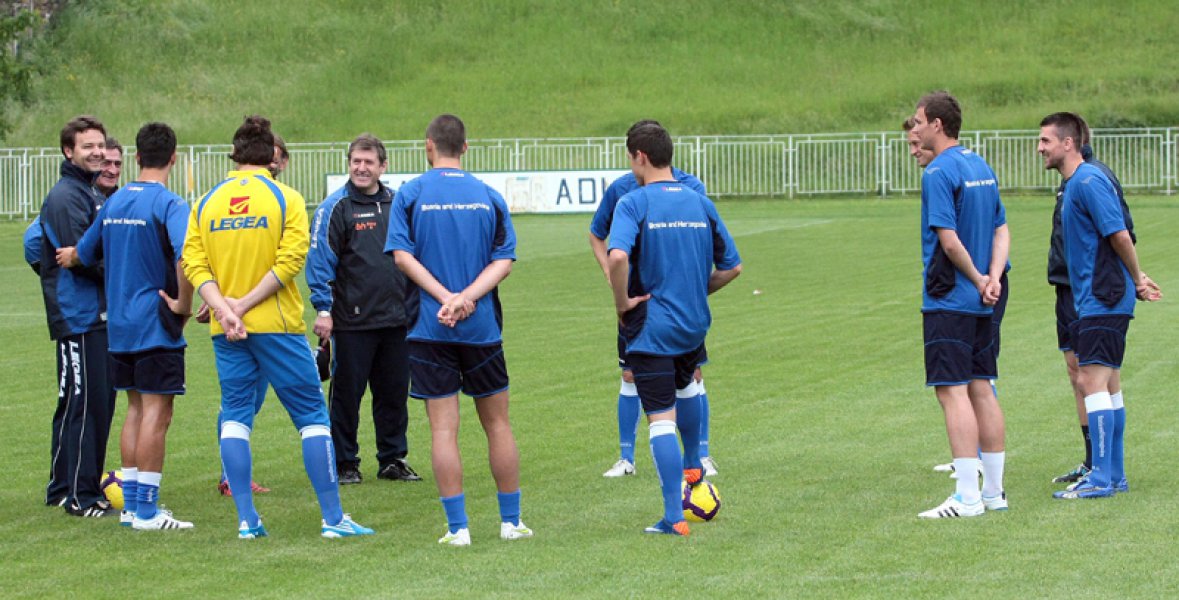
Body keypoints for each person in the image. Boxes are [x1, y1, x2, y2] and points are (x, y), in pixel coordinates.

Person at [182, 115, 373, 539]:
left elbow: (194, 264)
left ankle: (247, 521)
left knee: (235, 416)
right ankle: (333, 518)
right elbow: (290, 263)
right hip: (276, 325)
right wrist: (243, 305)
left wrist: (224, 309)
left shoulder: (207, 202)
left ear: (234, 155)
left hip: (227, 330)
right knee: (312, 416)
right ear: (271, 155)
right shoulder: (286, 198)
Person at [386, 114, 529, 546]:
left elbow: (402, 258)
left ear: (428, 145)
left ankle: (458, 528)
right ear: (465, 147)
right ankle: (511, 522)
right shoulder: (487, 195)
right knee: (498, 424)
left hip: (430, 327)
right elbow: (504, 261)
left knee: (443, 430)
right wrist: (466, 298)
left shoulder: (411, 193)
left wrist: (446, 298)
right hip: (481, 328)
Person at [606, 121, 742, 536]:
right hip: (693, 324)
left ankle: (673, 516)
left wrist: (623, 303)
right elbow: (732, 267)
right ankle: (694, 471)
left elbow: (616, 257)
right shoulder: (700, 201)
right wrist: (695, 291)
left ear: (640, 156)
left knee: (660, 419)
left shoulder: (634, 202)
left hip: (652, 327)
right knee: (688, 389)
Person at [57, 122, 194, 530]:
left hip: (118, 327)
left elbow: (83, 253)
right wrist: (183, 305)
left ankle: (132, 507)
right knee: (157, 412)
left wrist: (66, 256)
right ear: (173, 158)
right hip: (155, 323)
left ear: (135, 157)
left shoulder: (114, 202)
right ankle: (147, 511)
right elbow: (186, 257)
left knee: (134, 409)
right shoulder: (170, 204)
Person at [1037, 112, 1161, 499]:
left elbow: (1119, 234)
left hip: (1103, 296)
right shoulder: (1076, 183)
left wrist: (1137, 278)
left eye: (1045, 140)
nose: (1039, 148)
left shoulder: (1088, 180)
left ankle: (1101, 478)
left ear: (1068, 143)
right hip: (1098, 296)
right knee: (1107, 384)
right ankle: (1114, 475)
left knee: (1091, 381)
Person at [589, 119, 718, 479]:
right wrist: (614, 278)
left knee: (691, 374)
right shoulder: (622, 190)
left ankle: (700, 455)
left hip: (679, 305)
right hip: (639, 304)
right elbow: (597, 235)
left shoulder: (692, 188)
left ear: (641, 155)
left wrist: (691, 286)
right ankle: (626, 458)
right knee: (630, 373)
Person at [910, 92, 1009, 518]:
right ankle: (994, 493)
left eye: (918, 122)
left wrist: (978, 278)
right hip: (984, 298)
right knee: (982, 387)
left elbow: (948, 241)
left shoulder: (939, 171)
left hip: (950, 298)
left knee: (953, 392)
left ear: (936, 124)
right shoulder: (980, 164)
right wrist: (993, 277)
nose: (915, 130)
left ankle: (968, 496)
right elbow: (1002, 228)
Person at [308, 133, 418, 485]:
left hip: (397, 319)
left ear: (383, 166)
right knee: (346, 396)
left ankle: (393, 459)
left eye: (369, 162)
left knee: (394, 394)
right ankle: (344, 463)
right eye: (356, 161)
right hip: (351, 322)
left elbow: (414, 255)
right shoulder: (335, 208)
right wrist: (323, 310)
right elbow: (320, 262)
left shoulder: (398, 204)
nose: (361, 167)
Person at [37, 115, 117, 517]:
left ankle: (62, 487)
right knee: (87, 405)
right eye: (88, 146)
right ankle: (81, 497)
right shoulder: (67, 196)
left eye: (100, 145)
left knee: (82, 402)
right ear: (69, 151)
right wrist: (124, 270)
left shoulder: (89, 191)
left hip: (93, 314)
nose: (97, 152)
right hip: (80, 316)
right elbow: (79, 256)